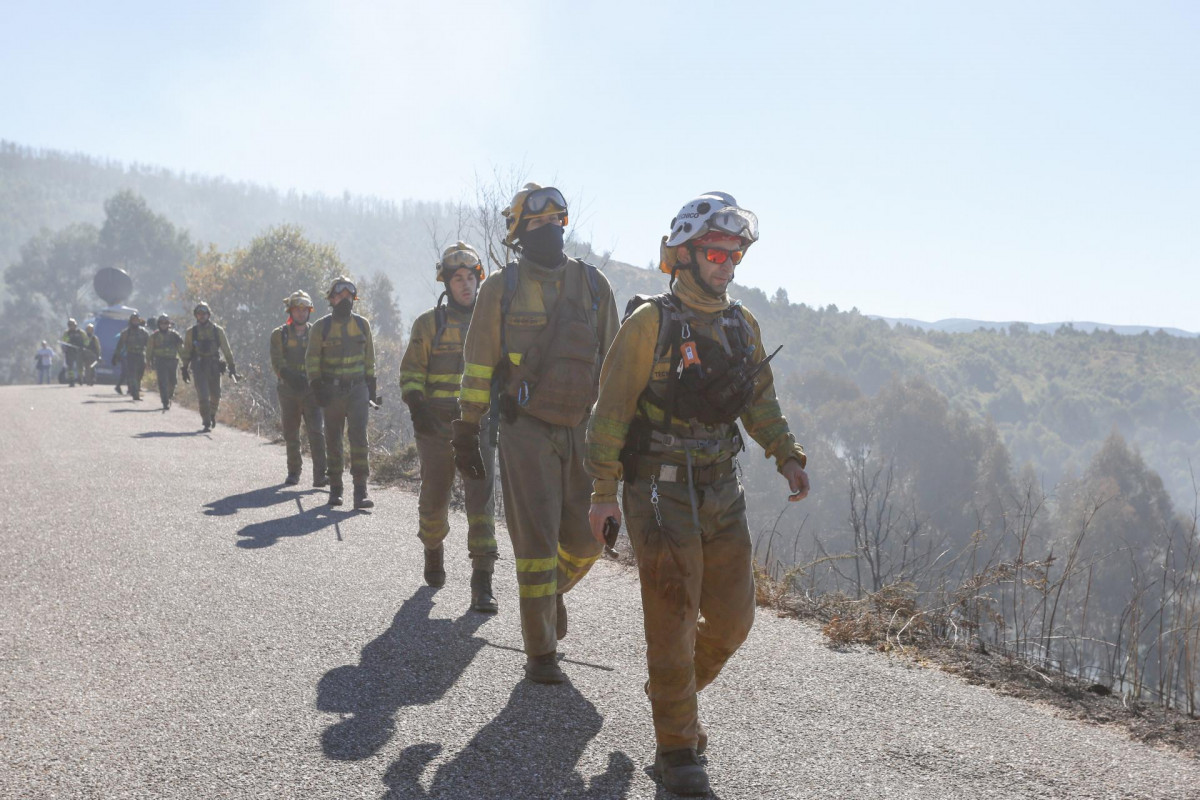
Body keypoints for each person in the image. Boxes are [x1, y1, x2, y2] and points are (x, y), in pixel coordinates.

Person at [585, 193, 810, 796]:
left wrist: (786, 455)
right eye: (716, 252)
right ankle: (679, 752)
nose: (727, 264)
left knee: (734, 621)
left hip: (721, 488)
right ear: (683, 254)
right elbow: (610, 414)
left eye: (735, 254)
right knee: (673, 621)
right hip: (659, 493)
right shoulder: (648, 325)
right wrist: (603, 493)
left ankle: (668, 693)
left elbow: (760, 402)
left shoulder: (741, 325)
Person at [454, 183, 618, 683]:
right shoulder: (499, 289)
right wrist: (467, 427)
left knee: (588, 541)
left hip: (583, 430)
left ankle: (553, 594)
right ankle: (540, 652)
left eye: (554, 222)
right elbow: (478, 363)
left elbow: (615, 369)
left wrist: (620, 439)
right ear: (519, 234)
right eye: (537, 224)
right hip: (525, 431)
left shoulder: (593, 285)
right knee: (536, 547)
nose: (548, 230)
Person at [401, 242, 498, 612]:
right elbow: (411, 372)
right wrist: (418, 407)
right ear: (446, 282)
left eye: (470, 277)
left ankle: (482, 580)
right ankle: (433, 548)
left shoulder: (491, 323)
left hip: (478, 425)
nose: (465, 284)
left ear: (478, 279)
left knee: (481, 500)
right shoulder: (428, 324)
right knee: (434, 498)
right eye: (457, 278)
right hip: (437, 427)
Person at [305, 277, 378, 509]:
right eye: (340, 295)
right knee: (333, 440)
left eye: (349, 295)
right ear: (331, 299)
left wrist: (372, 387)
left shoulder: (363, 325)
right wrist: (317, 385)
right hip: (331, 391)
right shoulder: (321, 327)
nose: (345, 299)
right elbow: (312, 359)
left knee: (359, 439)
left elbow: (369, 358)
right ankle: (335, 489)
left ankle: (360, 491)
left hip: (358, 389)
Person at [270, 290, 328, 487]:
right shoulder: (279, 334)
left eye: (305, 310)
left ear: (310, 311)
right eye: (297, 309)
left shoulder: (316, 333)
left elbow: (324, 358)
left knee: (316, 432)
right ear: (290, 311)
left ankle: (320, 475)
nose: (301, 313)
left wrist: (317, 380)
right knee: (291, 433)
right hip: (288, 390)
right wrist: (290, 376)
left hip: (312, 390)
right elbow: (277, 362)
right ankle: (294, 472)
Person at [180, 301, 238, 432]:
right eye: (199, 314)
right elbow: (187, 350)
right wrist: (184, 368)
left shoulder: (218, 331)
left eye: (204, 314)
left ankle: (212, 414)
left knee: (216, 395)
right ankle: (206, 421)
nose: (202, 316)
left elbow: (226, 349)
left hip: (214, 366)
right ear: (196, 315)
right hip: (198, 366)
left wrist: (232, 366)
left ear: (209, 315)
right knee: (203, 396)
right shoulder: (191, 332)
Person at [146, 314, 184, 410]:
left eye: (166, 323)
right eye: (161, 323)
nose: (163, 325)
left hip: (172, 361)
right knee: (162, 382)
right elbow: (149, 350)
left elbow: (181, 349)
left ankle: (169, 396)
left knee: (173, 382)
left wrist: (185, 361)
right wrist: (148, 362)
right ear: (158, 324)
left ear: (169, 324)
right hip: (160, 361)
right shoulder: (154, 336)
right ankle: (165, 401)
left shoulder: (175, 335)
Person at [113, 314, 149, 401]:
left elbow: (149, 345)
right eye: (133, 320)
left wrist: (151, 356)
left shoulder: (144, 332)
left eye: (137, 320)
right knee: (132, 375)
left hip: (141, 355)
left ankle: (135, 389)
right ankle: (135, 393)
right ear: (130, 321)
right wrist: (116, 356)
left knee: (140, 375)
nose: (135, 322)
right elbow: (120, 345)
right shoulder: (126, 332)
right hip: (131, 355)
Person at [60, 318, 87, 387]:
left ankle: (80, 378)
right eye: (70, 325)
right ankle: (71, 380)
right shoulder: (67, 333)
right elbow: (64, 341)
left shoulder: (81, 332)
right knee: (70, 367)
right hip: (70, 351)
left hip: (79, 351)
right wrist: (69, 340)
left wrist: (84, 346)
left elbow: (86, 340)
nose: (71, 326)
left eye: (72, 325)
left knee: (80, 366)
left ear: (75, 325)